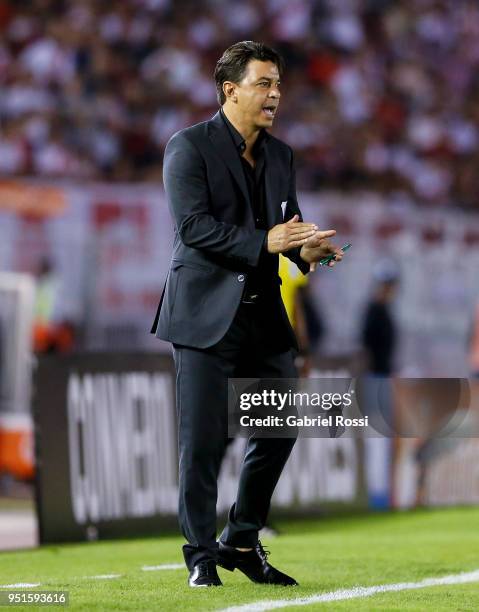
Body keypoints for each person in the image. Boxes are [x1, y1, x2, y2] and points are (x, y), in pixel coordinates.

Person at [151, 41, 343, 588]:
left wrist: (305, 251)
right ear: (230, 90)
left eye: (278, 85)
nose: (275, 95)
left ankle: (241, 537)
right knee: (204, 440)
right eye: (264, 84)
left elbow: (287, 228)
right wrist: (268, 240)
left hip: (262, 314)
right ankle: (200, 555)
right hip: (204, 314)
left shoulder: (282, 156)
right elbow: (193, 228)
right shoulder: (187, 147)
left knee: (279, 428)